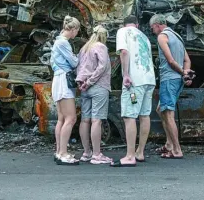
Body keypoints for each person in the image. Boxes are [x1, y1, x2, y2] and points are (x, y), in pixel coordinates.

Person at [111, 14, 156, 167]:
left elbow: (124, 52)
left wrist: (125, 75)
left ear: (125, 24)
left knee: (129, 116)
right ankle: (140, 152)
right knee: (144, 115)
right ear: (137, 24)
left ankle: (130, 156)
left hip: (134, 83)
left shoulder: (123, 32)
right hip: (149, 81)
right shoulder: (144, 36)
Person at [151, 14, 192, 159]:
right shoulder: (178, 37)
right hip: (178, 79)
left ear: (157, 25)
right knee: (160, 110)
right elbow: (187, 60)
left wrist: (183, 73)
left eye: (152, 28)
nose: (153, 31)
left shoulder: (162, 37)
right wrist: (185, 73)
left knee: (168, 114)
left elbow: (170, 60)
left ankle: (176, 149)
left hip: (169, 78)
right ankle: (169, 143)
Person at [76, 25, 113, 165]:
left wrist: (82, 83)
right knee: (96, 120)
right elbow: (102, 66)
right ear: (104, 36)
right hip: (98, 86)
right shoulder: (101, 47)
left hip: (84, 87)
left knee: (85, 120)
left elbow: (78, 67)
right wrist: (90, 81)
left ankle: (86, 153)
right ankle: (97, 155)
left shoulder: (84, 48)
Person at [50, 15, 80, 165]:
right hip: (64, 81)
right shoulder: (63, 43)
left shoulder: (57, 42)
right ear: (73, 29)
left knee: (61, 119)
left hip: (57, 80)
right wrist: (78, 56)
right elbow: (74, 62)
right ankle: (63, 152)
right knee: (71, 118)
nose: (76, 35)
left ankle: (58, 151)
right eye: (77, 31)